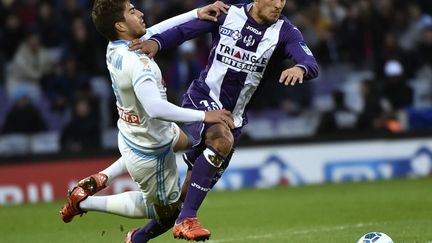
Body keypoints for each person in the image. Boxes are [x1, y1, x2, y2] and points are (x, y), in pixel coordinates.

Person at [130, 0, 319, 240]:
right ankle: (188, 220)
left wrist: (300, 68)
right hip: (202, 100)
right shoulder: (227, 15)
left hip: (233, 119)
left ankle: (138, 238)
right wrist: (157, 42)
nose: (280, 4)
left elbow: (310, 61)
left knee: (183, 199)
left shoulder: (285, 31)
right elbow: (185, 30)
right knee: (220, 141)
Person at [59, 1, 233, 243]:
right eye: (132, 11)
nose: (140, 13)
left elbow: (159, 29)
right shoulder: (137, 64)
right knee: (168, 212)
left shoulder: (116, 46)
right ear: (120, 25)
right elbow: (155, 108)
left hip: (135, 132)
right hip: (151, 149)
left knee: (191, 142)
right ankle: (84, 202)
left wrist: (196, 12)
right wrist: (206, 115)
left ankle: (104, 177)